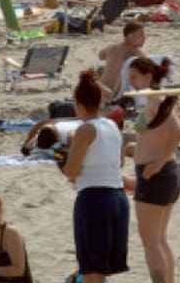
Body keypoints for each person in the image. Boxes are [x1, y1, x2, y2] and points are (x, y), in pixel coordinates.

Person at [62, 69, 129, 283]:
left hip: (94, 200)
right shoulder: (111, 126)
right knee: (102, 270)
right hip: (118, 198)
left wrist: (60, 158)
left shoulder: (85, 130)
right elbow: (120, 162)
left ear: (77, 103)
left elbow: (71, 170)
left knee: (91, 270)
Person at [128, 57, 180, 283]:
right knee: (159, 239)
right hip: (163, 173)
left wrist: (158, 162)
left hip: (157, 173)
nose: (132, 83)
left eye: (135, 78)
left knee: (151, 241)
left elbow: (178, 133)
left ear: (148, 76)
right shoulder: (156, 99)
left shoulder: (158, 99)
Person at [99, 21, 147, 99]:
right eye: (141, 35)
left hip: (100, 88)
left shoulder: (112, 48)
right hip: (114, 95)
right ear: (130, 36)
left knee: (100, 69)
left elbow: (100, 56)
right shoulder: (138, 55)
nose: (144, 38)